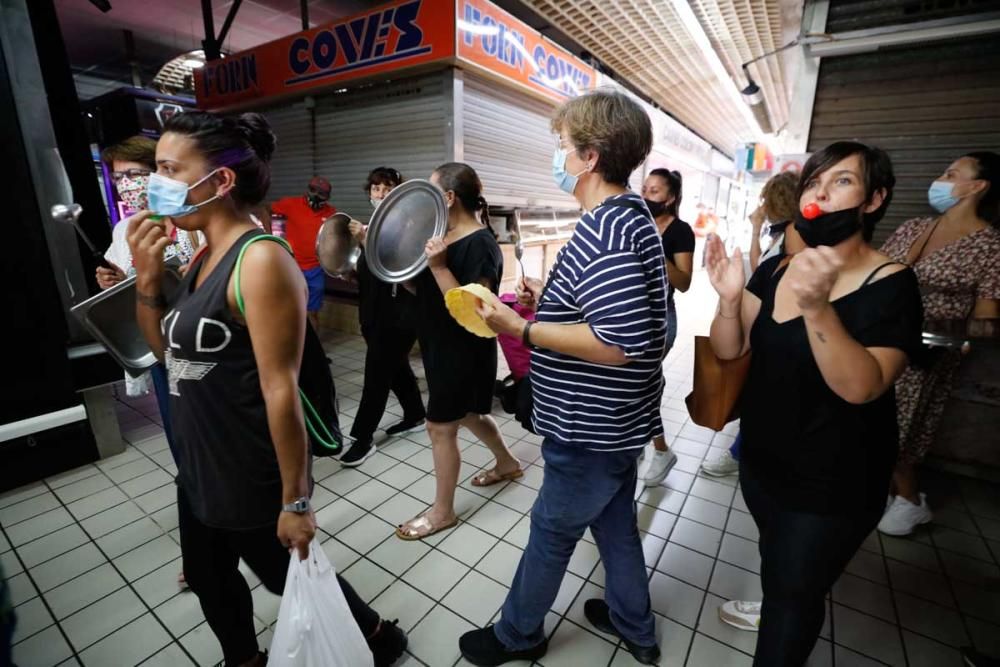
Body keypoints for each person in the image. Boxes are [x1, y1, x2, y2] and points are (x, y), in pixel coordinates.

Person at [127, 111, 406, 667]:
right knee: (210, 578)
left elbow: (282, 390)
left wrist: (296, 501)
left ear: (221, 181)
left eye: (168, 169)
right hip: (200, 463)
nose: (153, 184)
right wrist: (148, 281)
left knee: (287, 575)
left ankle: (377, 638)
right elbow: (169, 356)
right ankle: (243, 660)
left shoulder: (259, 260)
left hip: (248, 472)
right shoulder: (203, 254)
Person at [458, 89, 667, 666]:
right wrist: (548, 303)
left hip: (590, 424)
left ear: (592, 156)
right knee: (616, 526)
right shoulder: (628, 219)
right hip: (615, 422)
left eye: (563, 146)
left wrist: (521, 329)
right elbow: (617, 316)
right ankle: (635, 624)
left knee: (551, 531)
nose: (559, 156)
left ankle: (517, 634)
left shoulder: (609, 229)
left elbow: (617, 342)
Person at [706, 141, 923, 665]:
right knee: (779, 566)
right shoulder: (778, 269)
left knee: (794, 597)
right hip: (763, 463)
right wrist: (731, 302)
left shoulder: (892, 284)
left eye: (842, 181)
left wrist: (817, 307)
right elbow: (728, 350)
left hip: (835, 481)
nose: (821, 193)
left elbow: (861, 386)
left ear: (873, 200)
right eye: (813, 183)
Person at [394, 163, 522, 540]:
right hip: (438, 342)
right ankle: (508, 462)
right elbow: (428, 294)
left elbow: (476, 308)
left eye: (433, 191)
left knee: (439, 427)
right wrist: (407, 271)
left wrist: (436, 266)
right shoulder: (443, 238)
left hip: (462, 349)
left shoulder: (480, 243)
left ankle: (443, 512)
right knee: (468, 413)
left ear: (448, 197)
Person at [877, 151, 1000, 536]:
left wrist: (943, 333)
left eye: (952, 173)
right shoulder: (914, 227)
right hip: (878, 339)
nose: (941, 179)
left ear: (977, 186)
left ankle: (911, 501)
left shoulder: (990, 246)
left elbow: (986, 321)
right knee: (865, 420)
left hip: (925, 354)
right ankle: (880, 493)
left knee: (896, 432)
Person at [701, 170, 803, 479]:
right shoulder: (785, 235)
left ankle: (740, 452)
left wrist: (756, 226)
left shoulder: (791, 237)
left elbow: (760, 269)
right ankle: (741, 449)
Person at [340, 167, 426, 467]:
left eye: (388, 188)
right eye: (376, 188)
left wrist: (365, 240)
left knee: (376, 375)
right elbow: (371, 273)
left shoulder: (408, 226)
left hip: (399, 315)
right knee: (396, 367)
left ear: (400, 194)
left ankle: (362, 439)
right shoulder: (371, 225)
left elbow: (395, 266)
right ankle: (415, 414)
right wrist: (353, 271)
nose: (380, 194)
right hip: (373, 313)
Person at [637, 168, 693, 485]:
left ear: (670, 198)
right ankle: (639, 443)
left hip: (659, 316)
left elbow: (684, 282)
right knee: (634, 382)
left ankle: (661, 451)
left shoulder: (680, 231)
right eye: (645, 188)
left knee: (642, 383)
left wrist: (656, 247)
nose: (647, 196)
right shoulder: (637, 222)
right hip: (630, 312)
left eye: (655, 191)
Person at [270, 176, 336, 330]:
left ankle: (313, 351)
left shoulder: (331, 213)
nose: (315, 195)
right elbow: (264, 209)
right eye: (313, 190)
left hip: (315, 269)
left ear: (327, 197)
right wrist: (269, 233)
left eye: (321, 193)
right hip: (292, 267)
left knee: (311, 313)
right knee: (288, 311)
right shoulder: (290, 204)